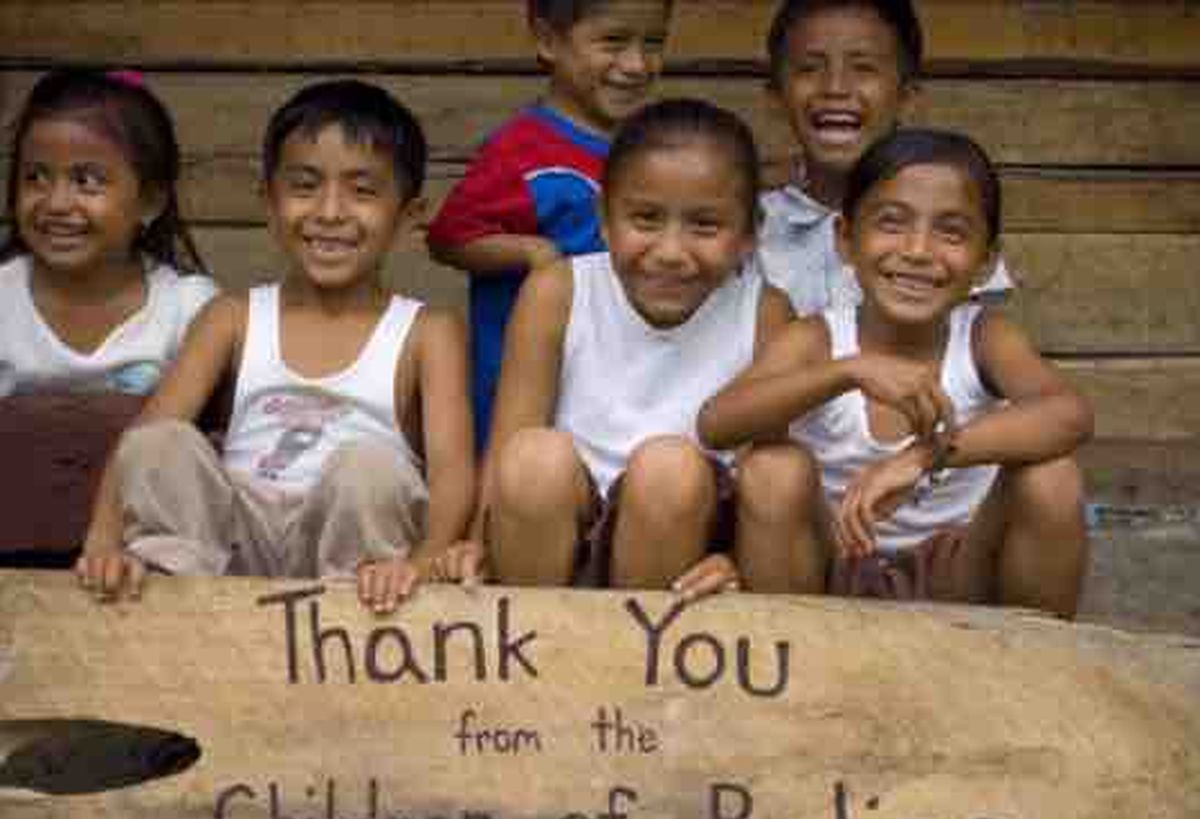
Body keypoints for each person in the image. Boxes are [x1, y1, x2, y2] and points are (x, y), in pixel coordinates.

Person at [75, 79, 475, 614]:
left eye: (362, 191)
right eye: (305, 186)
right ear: (269, 202)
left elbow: (451, 472)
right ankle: (174, 601)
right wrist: (102, 541)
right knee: (160, 444)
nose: (330, 212)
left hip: (356, 568)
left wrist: (422, 563)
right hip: (229, 546)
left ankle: (342, 627)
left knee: (370, 468)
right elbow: (144, 440)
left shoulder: (427, 331)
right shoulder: (233, 317)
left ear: (407, 216)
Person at [699, 128, 1091, 618]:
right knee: (773, 469)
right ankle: (790, 655)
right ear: (845, 239)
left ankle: (1033, 658)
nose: (918, 250)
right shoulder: (819, 338)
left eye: (951, 232)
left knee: (1052, 477)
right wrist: (848, 371)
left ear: (986, 261)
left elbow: (1069, 414)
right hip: (827, 574)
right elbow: (717, 423)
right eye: (891, 223)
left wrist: (926, 456)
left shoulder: (983, 337)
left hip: (957, 577)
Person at [437, 98, 795, 599]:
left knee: (668, 469)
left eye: (705, 226)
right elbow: (508, 444)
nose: (670, 252)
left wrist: (737, 560)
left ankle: (640, 647)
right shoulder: (558, 291)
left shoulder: (764, 313)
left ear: (749, 234)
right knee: (533, 458)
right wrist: (477, 543)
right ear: (604, 218)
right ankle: (537, 637)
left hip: (687, 562)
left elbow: (763, 474)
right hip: (554, 542)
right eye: (646, 219)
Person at [427, 0, 673, 449]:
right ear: (548, 40)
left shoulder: (656, 148)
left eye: (653, 43)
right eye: (613, 42)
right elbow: (449, 237)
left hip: (619, 392)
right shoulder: (520, 152)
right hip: (524, 404)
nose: (637, 64)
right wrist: (533, 253)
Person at [757, 0, 1011, 315]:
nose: (835, 87)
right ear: (776, 97)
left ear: (905, 98)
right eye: (809, 68)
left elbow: (979, 332)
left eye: (863, 68)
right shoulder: (751, 227)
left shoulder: (947, 224)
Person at [0, 68, 215, 398]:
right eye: (35, 177)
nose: (56, 203)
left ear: (150, 202)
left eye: (86, 181)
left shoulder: (188, 309)